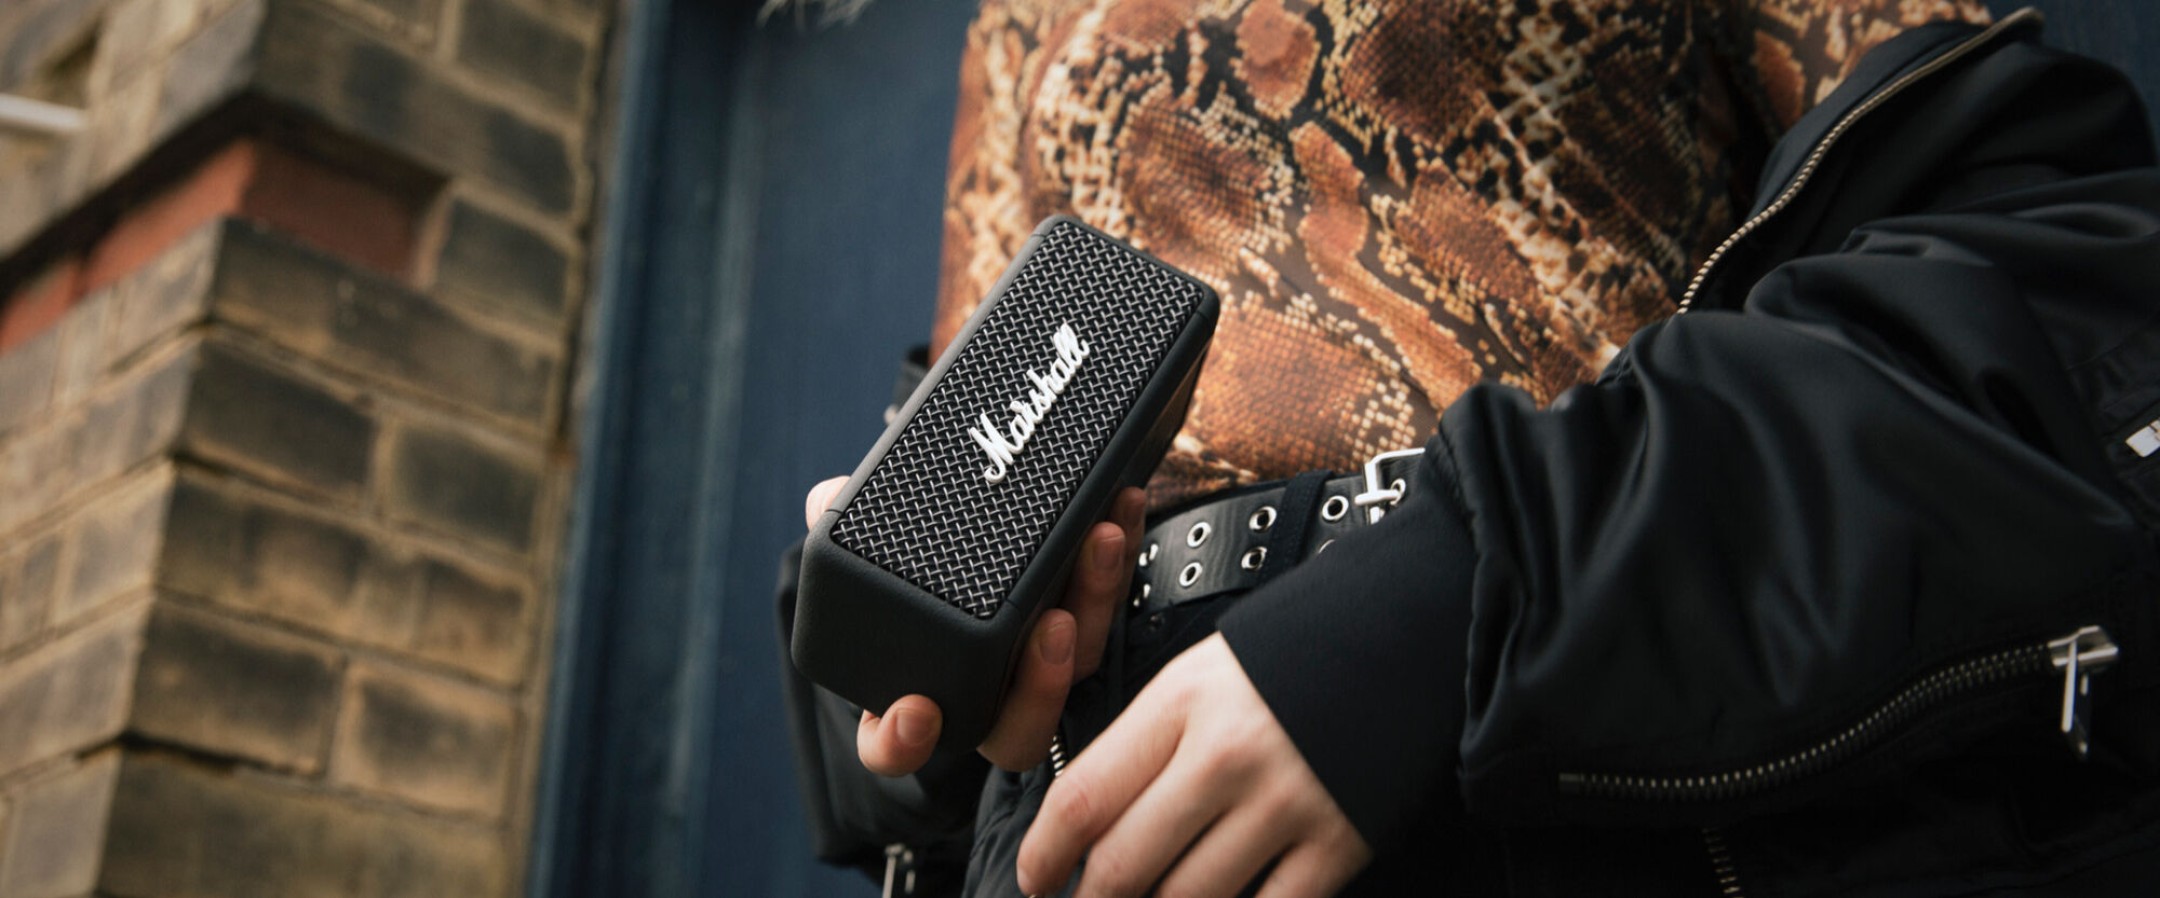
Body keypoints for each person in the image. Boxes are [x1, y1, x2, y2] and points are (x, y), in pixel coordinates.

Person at [779, 2, 2160, 895]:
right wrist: (924, 670)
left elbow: (2054, 303)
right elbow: (976, 425)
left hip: (1540, 754)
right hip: (1094, 825)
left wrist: (1439, 603)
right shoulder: (1009, 23)